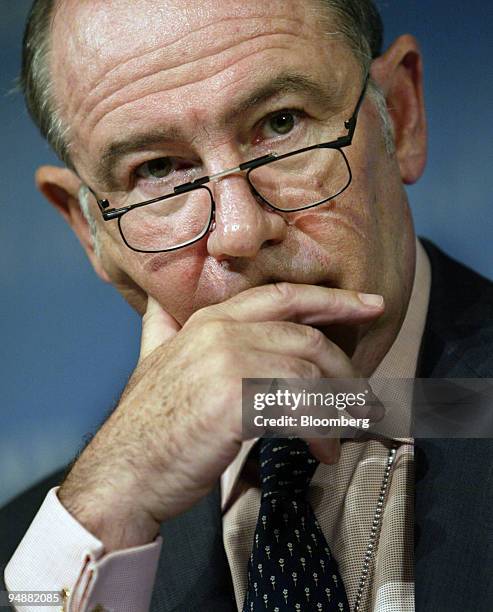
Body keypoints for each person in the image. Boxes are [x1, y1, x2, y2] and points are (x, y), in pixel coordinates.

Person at [1, 0, 492, 610]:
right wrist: (107, 507)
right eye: (159, 170)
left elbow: (468, 410)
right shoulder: (42, 557)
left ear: (400, 113)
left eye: (282, 123)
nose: (239, 230)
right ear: (89, 229)